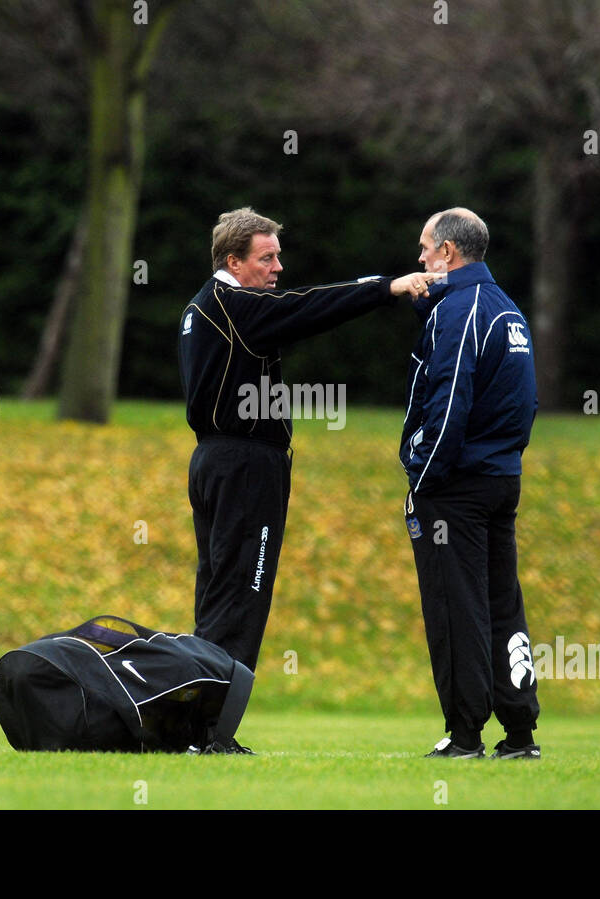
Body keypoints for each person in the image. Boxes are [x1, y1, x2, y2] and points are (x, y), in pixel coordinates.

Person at [179, 206, 435, 753]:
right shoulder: (236, 306)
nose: (277, 267)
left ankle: (197, 727)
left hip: (216, 462)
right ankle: (211, 734)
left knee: (218, 592)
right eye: (266, 258)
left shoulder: (207, 305)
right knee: (241, 597)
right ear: (234, 261)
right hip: (244, 466)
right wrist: (385, 288)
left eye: (278, 256)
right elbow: (311, 307)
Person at [400, 207, 542, 760]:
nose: (419, 258)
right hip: (501, 480)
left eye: (424, 247)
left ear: (448, 254)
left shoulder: (460, 311)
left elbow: (450, 401)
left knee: (455, 605)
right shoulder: (507, 310)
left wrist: (422, 476)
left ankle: (464, 736)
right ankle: (521, 732)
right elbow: (524, 403)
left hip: (455, 486)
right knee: (503, 603)